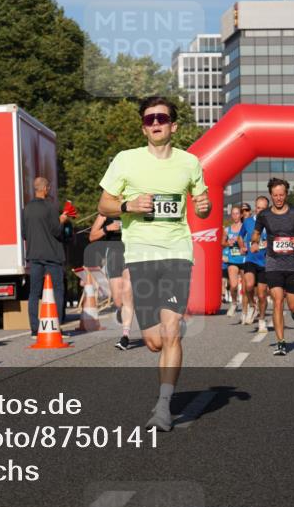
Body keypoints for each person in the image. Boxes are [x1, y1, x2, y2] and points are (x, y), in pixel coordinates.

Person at [98, 96, 210, 432]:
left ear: (173, 125)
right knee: (154, 342)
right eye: (149, 120)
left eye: (162, 118)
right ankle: (169, 330)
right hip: (141, 256)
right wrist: (129, 204)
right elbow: (104, 204)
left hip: (177, 253)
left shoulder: (190, 163)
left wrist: (203, 205)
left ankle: (164, 408)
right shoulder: (126, 160)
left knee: (171, 331)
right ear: (144, 127)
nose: (156, 123)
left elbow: (202, 208)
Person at [251, 178, 294, 356]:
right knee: (277, 301)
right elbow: (256, 232)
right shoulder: (264, 215)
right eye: (275, 195)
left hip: (293, 264)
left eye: (281, 195)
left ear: (286, 194)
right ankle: (281, 342)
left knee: (292, 305)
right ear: (271, 195)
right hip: (273, 263)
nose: (278, 198)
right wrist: (254, 241)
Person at [23, 177, 70, 337]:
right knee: (57, 290)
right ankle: (55, 325)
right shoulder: (50, 207)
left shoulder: (27, 209)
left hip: (34, 255)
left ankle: (35, 329)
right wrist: (62, 220)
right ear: (46, 189)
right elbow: (56, 231)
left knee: (34, 293)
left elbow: (24, 233)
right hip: (52, 255)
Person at [89, 214, 135, 350]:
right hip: (114, 254)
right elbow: (92, 237)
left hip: (131, 252)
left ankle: (125, 335)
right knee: (118, 301)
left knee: (128, 293)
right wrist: (107, 228)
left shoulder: (134, 206)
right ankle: (123, 308)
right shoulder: (105, 213)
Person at [238, 198, 270, 331]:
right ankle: (252, 305)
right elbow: (240, 237)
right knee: (249, 285)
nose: (260, 210)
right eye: (258, 208)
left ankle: (262, 319)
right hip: (251, 259)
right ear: (255, 208)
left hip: (265, 262)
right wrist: (241, 246)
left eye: (263, 208)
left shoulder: (271, 222)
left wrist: (270, 244)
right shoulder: (248, 221)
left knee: (262, 295)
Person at [223, 206, 245, 317]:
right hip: (233, 259)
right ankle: (234, 303)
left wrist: (242, 242)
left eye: (237, 213)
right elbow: (222, 243)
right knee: (233, 285)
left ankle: (247, 309)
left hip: (244, 259)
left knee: (247, 287)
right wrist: (228, 243)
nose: (235, 216)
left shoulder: (245, 228)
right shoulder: (227, 229)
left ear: (241, 215)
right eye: (233, 214)